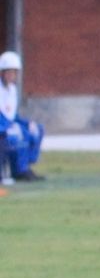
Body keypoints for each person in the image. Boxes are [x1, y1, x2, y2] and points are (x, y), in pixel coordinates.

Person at [0, 50, 44, 183]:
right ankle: (18, 170)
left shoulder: (12, 90)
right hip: (2, 126)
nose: (12, 75)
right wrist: (8, 126)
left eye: (14, 72)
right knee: (17, 135)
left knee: (36, 130)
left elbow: (11, 114)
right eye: (9, 72)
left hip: (7, 123)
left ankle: (24, 168)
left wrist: (26, 123)